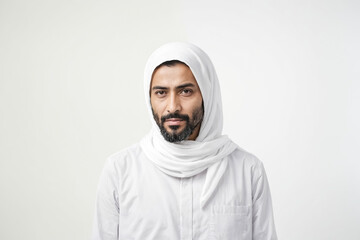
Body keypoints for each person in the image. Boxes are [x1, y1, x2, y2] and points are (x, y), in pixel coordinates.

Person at [92, 42, 277, 240]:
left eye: (185, 91)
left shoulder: (247, 171)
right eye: (161, 92)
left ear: (207, 94)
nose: (173, 107)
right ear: (150, 98)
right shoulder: (120, 171)